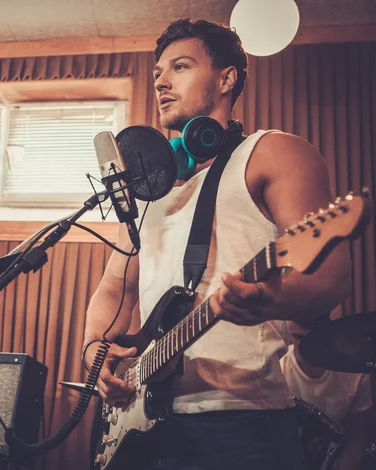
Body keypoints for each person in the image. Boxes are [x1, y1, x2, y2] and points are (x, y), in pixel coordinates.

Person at [82, 18, 352, 470]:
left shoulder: (272, 152)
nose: (162, 82)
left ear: (227, 79)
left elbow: (332, 273)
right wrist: (95, 350)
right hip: (143, 424)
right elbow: (115, 287)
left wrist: (269, 299)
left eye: (180, 67)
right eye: (157, 74)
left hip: (242, 421)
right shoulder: (150, 190)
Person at [281, 318, 373, 470]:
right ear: (289, 334)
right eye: (297, 337)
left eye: (311, 339)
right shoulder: (278, 370)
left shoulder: (355, 373)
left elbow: (358, 436)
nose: (304, 346)